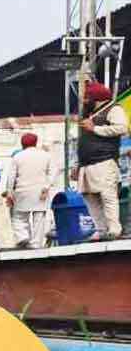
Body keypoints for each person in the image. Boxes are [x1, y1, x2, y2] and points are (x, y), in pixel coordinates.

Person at [77, 82, 126, 240]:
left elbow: (122, 128)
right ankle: (100, 229)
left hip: (104, 160)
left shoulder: (113, 109)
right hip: (86, 163)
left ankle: (114, 229)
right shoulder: (90, 113)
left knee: (107, 195)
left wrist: (95, 129)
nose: (84, 101)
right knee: (89, 196)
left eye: (87, 97)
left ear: (95, 97)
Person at [5, 133, 54, 250]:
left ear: (22, 144)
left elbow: (11, 177)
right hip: (40, 190)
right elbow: (53, 172)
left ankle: (23, 237)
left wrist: (9, 193)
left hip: (22, 191)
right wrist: (46, 187)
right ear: (36, 143)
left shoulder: (17, 157)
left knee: (18, 216)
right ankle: (36, 243)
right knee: (39, 216)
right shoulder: (46, 155)